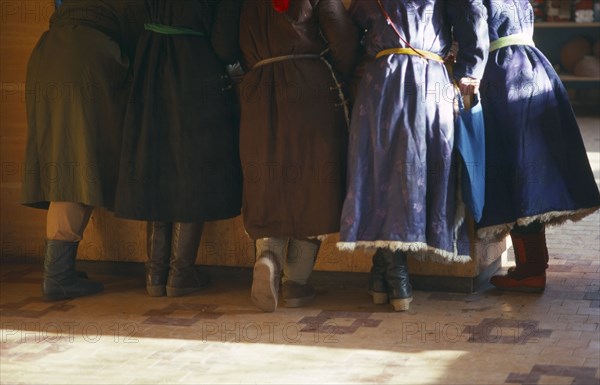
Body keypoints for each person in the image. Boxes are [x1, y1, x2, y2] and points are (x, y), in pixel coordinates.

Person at [338, 0, 489, 311]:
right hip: (431, 81)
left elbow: (351, 22)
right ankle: (395, 278)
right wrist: (469, 70)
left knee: (381, 173)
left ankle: (387, 276)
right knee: (418, 172)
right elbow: (473, 12)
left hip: (381, 82)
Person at [114, 0, 243, 297]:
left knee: (155, 163)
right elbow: (224, 44)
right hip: (194, 69)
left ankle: (155, 273)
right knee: (191, 168)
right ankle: (180, 273)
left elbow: (130, 19)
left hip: (150, 65)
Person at [237, 0, 359, 311]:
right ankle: (296, 283)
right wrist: (337, 72)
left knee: (268, 180)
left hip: (259, 89)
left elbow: (225, 44)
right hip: (311, 87)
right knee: (313, 184)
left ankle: (268, 256)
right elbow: (342, 36)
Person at [22, 0, 143, 301]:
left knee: (65, 162)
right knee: (79, 163)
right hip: (87, 60)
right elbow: (140, 36)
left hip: (48, 55)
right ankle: (58, 276)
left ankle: (61, 269)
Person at [477, 0, 600, 292]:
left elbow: (473, 32)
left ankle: (530, 270)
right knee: (528, 169)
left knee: (518, 171)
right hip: (533, 68)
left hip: (505, 74)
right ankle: (533, 265)